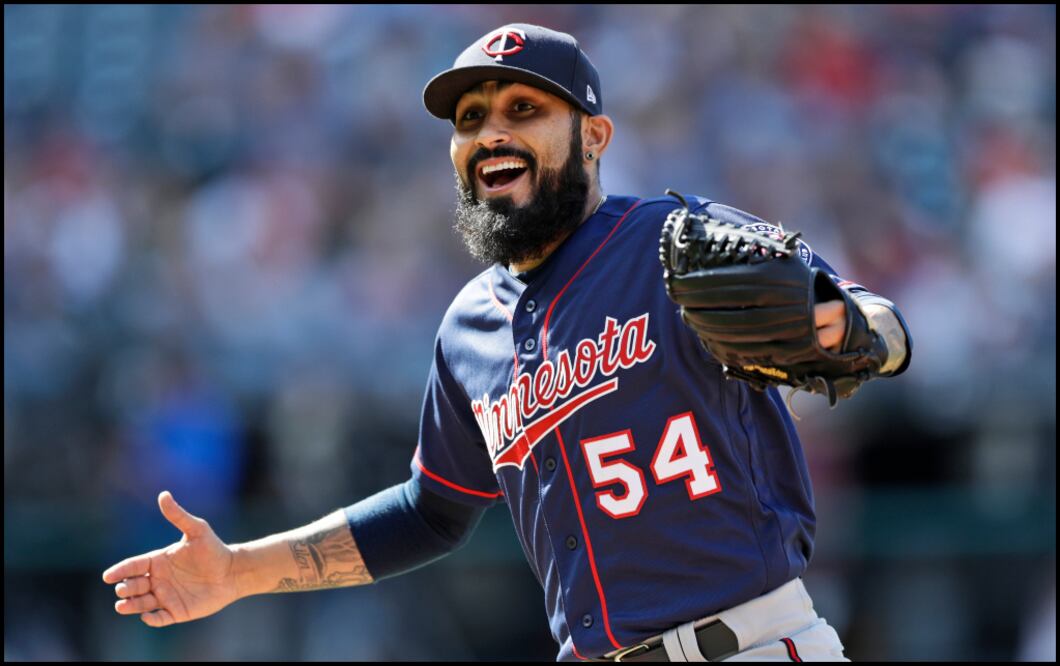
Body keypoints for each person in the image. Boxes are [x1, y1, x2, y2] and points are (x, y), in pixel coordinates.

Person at [103, 23, 912, 662]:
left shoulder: (670, 240)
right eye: (471, 119)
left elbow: (883, 329)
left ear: (594, 136)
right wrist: (241, 571)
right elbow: (430, 511)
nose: (491, 132)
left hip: (749, 645)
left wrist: (834, 327)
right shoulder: (469, 327)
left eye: (524, 110)